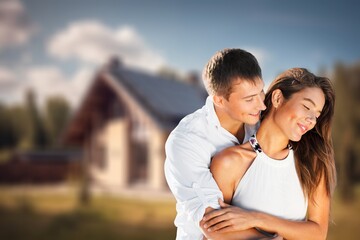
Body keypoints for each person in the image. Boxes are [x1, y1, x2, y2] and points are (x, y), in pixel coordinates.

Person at [200, 68, 337, 240]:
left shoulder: (312, 163)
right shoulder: (229, 162)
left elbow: (317, 233)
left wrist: (255, 218)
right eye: (306, 106)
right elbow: (213, 229)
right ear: (278, 98)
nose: (311, 119)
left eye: (317, 115)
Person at [164, 48, 266, 239]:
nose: (261, 105)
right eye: (250, 99)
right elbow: (213, 221)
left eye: (261, 92)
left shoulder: (260, 122)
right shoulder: (187, 140)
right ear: (219, 99)